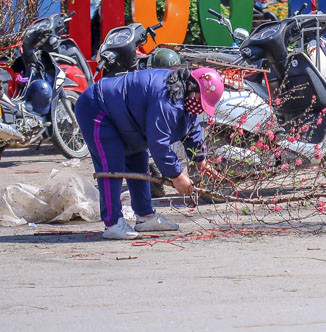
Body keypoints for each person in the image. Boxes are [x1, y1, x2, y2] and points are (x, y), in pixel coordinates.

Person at [75, 67, 225, 240]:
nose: (199, 106)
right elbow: (159, 143)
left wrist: (201, 160)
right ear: (192, 87)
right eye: (200, 100)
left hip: (128, 120)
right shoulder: (166, 99)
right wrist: (176, 176)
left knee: (138, 161)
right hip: (97, 108)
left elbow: (191, 126)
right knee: (112, 165)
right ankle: (113, 223)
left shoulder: (183, 94)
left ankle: (145, 216)